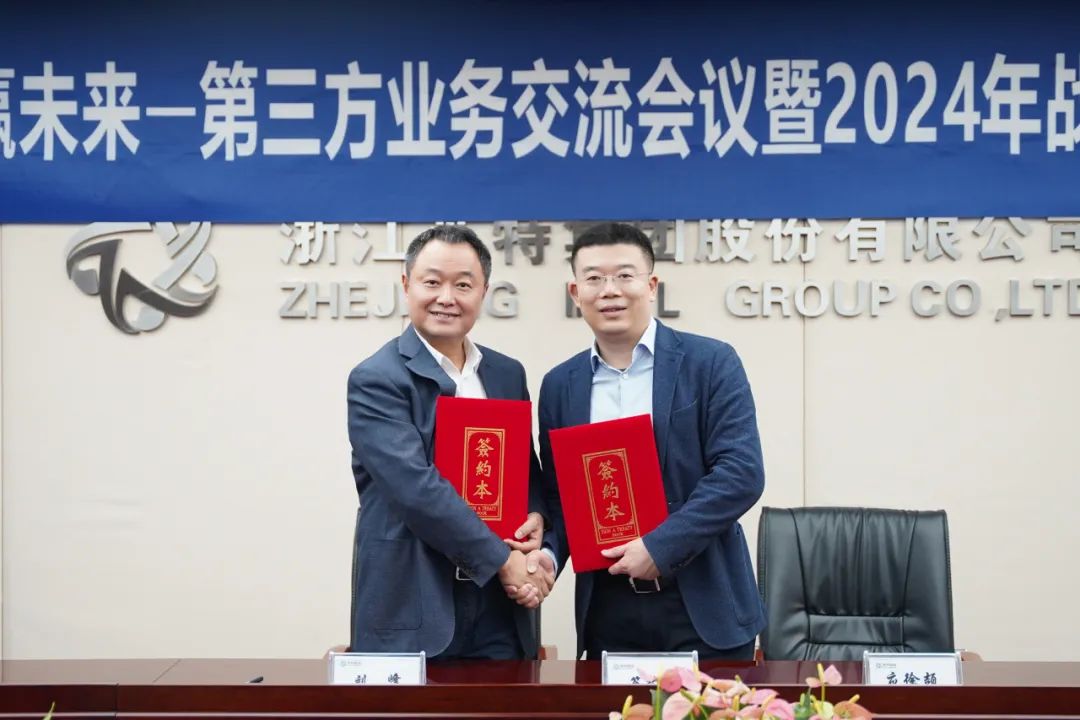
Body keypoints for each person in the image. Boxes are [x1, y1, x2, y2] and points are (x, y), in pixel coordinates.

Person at [538, 222, 766, 660]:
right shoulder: (560, 385)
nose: (610, 290)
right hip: (609, 611)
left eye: (625, 275)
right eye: (594, 278)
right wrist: (547, 555)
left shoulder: (710, 363)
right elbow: (562, 498)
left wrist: (659, 548)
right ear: (575, 293)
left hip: (703, 605)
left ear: (651, 285)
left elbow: (741, 474)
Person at [346, 225, 553, 659]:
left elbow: (523, 466)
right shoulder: (377, 379)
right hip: (414, 599)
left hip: (500, 607)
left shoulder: (506, 373)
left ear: (484, 292)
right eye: (432, 282)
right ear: (407, 284)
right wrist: (503, 561)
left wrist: (536, 513)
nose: (446, 297)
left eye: (463, 284)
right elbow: (416, 490)